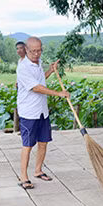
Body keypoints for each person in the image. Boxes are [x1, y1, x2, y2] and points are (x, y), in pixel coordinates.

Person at [15, 36, 69, 189]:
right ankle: (23, 177)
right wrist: (58, 93)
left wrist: (50, 71)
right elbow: (35, 87)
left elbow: (40, 79)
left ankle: (38, 171)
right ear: (26, 50)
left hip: (41, 111)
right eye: (33, 51)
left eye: (39, 51)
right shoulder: (23, 67)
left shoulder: (38, 62)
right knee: (28, 144)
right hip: (29, 112)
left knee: (43, 142)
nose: (37, 54)